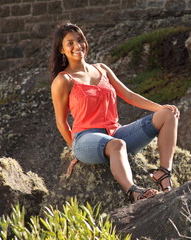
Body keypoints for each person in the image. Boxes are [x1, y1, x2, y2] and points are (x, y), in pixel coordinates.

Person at [49, 22, 179, 203]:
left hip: (116, 132)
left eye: (80, 40)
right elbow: (61, 122)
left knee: (168, 115)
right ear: (62, 50)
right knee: (116, 144)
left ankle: (163, 173)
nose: (77, 46)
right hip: (86, 138)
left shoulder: (102, 69)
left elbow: (128, 95)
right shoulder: (63, 80)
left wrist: (160, 108)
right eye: (70, 43)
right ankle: (133, 191)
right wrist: (76, 150)